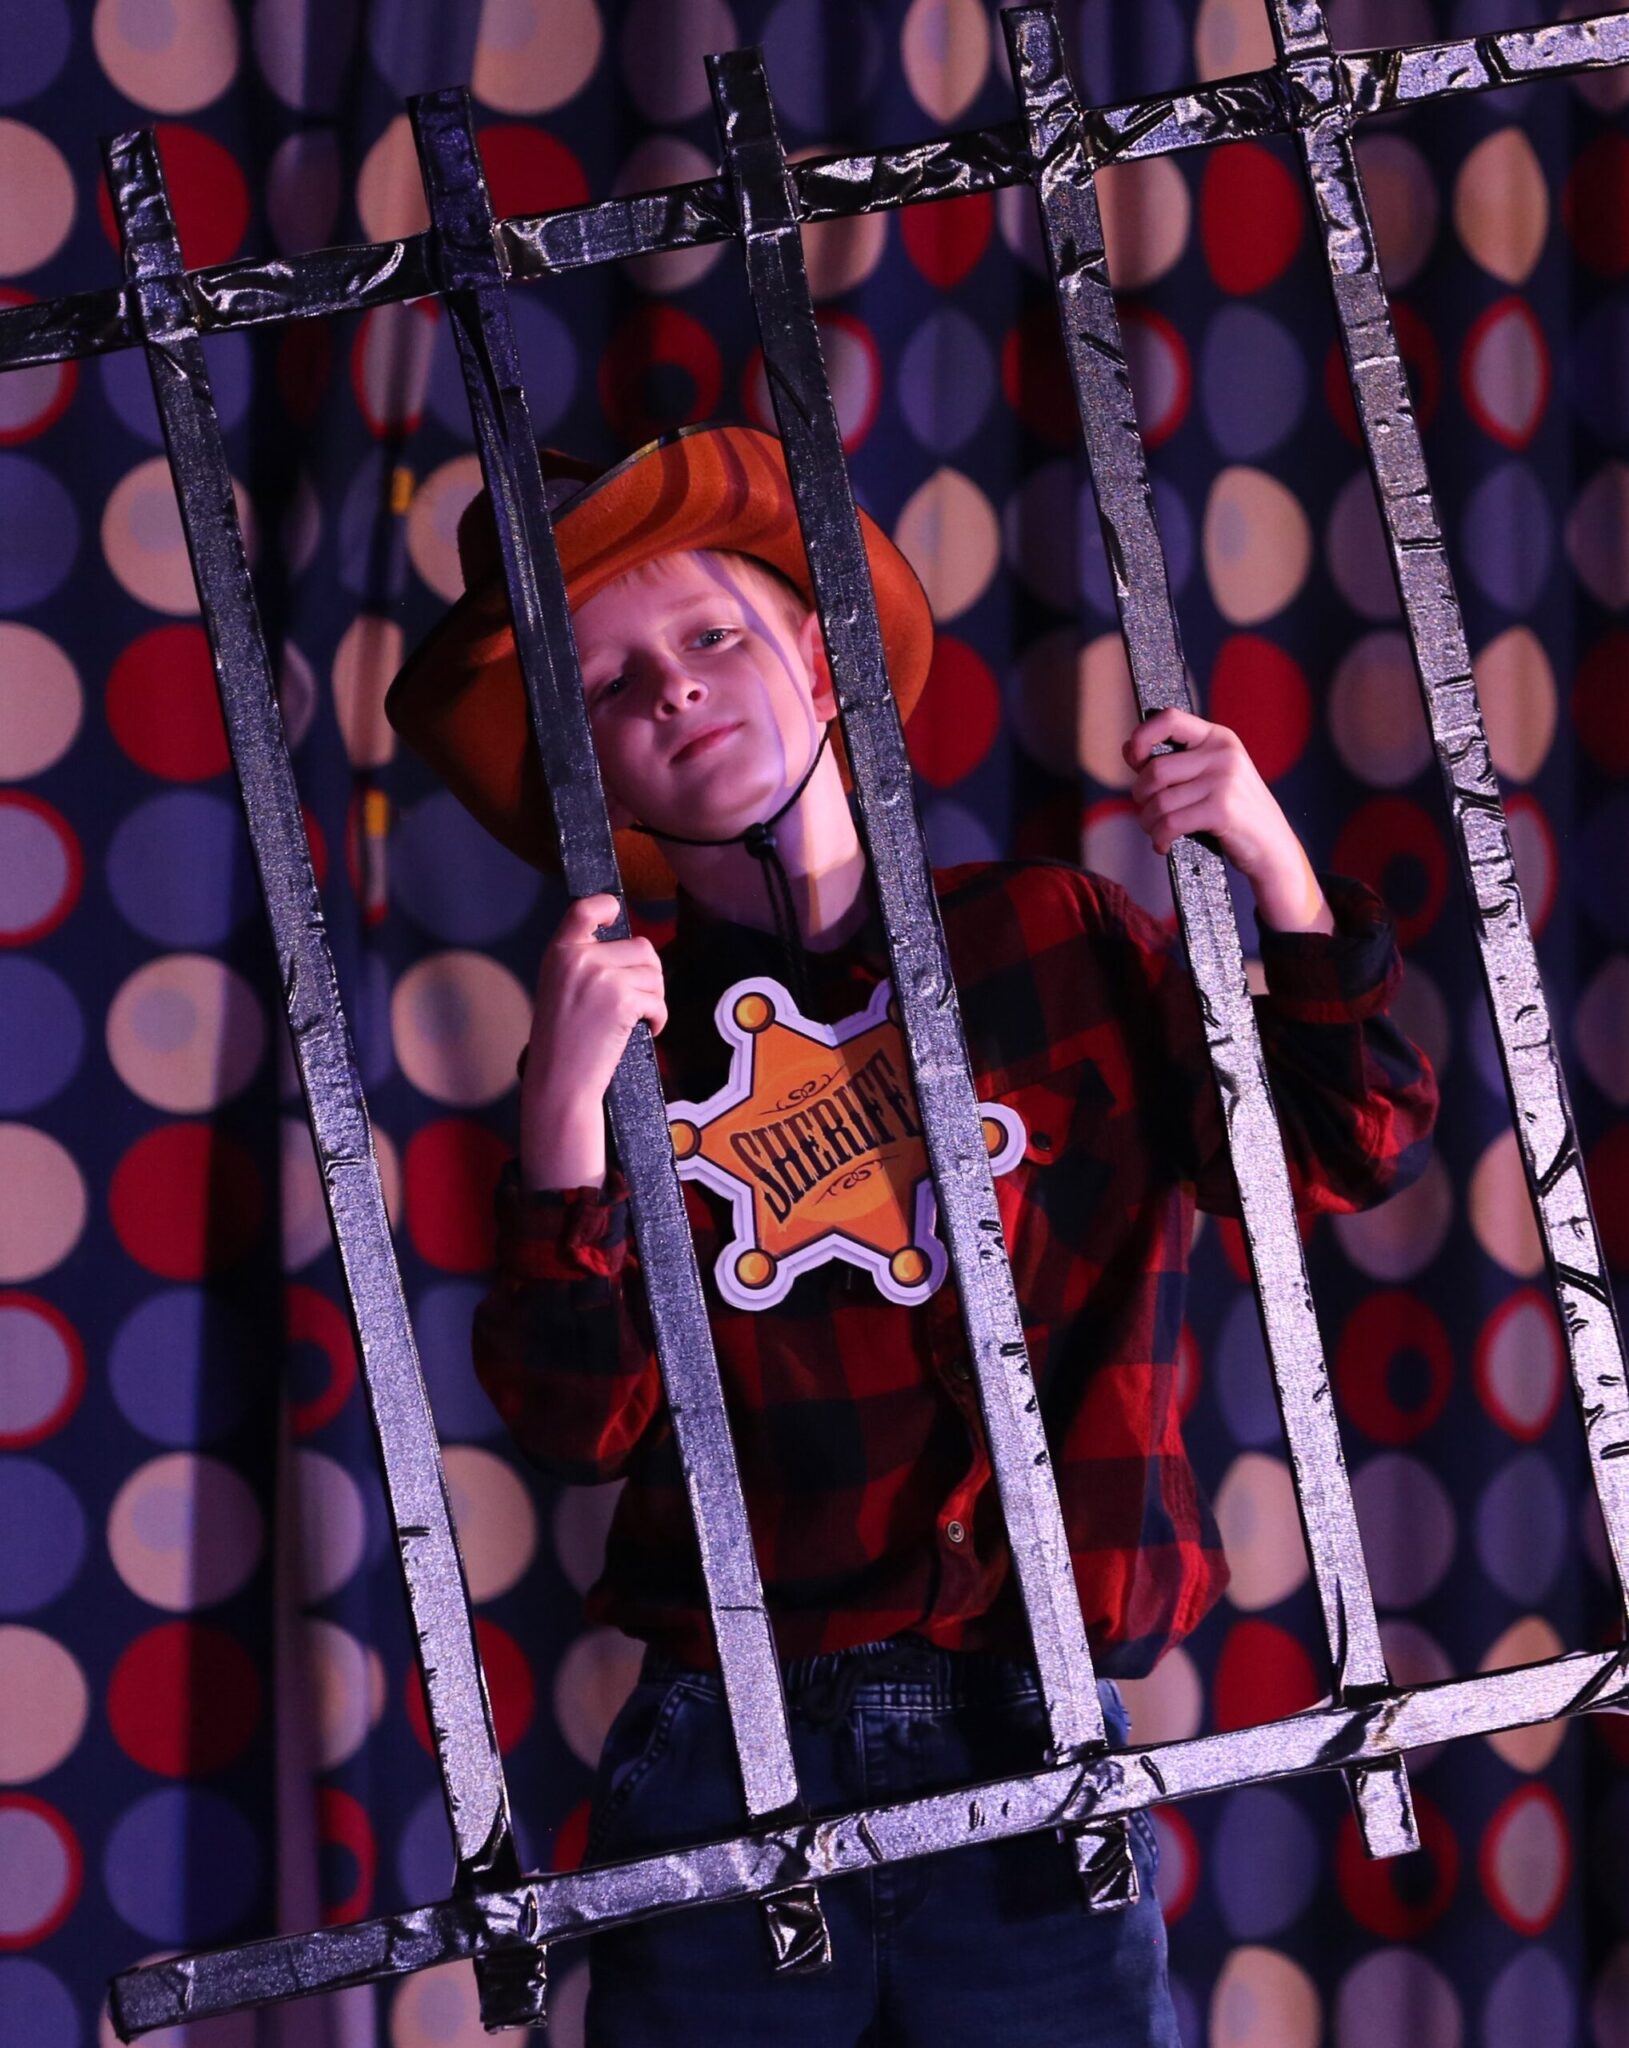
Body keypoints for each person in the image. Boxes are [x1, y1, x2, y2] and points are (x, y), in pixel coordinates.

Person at [386, 422, 1438, 2046]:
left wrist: (1275, 868)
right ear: (581, 771)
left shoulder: (1047, 934)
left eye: (711, 634)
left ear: (822, 662)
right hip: (726, 1752)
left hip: (1035, 1735)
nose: (669, 690)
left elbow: (1338, 1150)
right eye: (602, 686)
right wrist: (563, 1122)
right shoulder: (614, 1046)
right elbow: (576, 1426)